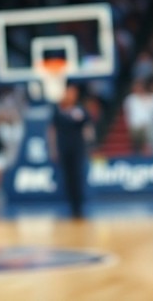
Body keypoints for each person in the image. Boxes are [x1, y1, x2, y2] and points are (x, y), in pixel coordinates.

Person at [47, 84, 95, 219]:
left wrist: (90, 144)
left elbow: (88, 128)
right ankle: (72, 206)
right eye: (69, 92)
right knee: (67, 178)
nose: (71, 95)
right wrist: (53, 148)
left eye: (73, 93)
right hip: (63, 148)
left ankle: (79, 206)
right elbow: (52, 131)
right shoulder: (57, 110)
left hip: (78, 148)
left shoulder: (81, 110)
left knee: (78, 176)